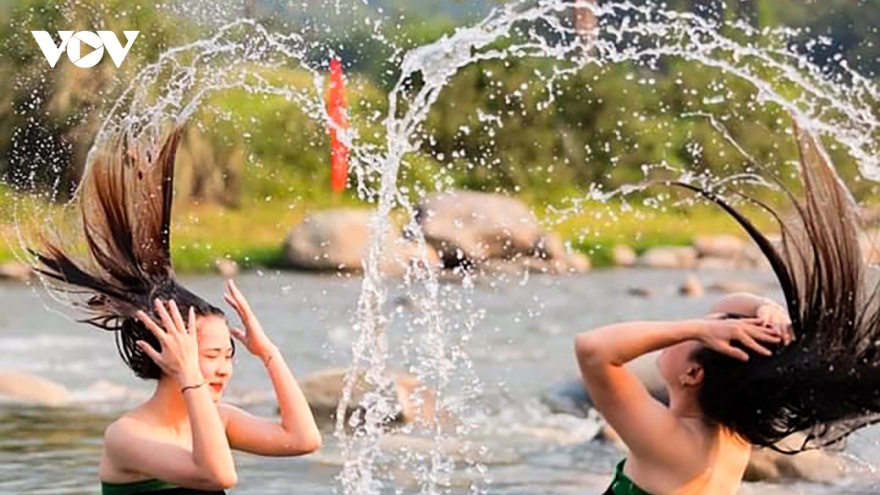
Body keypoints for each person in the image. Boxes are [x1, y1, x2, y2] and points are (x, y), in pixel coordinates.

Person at [575, 125, 880, 495]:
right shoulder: (732, 432)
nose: (697, 325)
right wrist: (765, 308)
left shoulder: (668, 441)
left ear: (692, 374)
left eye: (694, 334)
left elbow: (593, 350)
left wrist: (694, 328)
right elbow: (725, 309)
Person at [30, 129, 322, 494]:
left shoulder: (217, 419)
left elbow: (302, 440)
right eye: (212, 355)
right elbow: (218, 476)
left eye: (228, 356)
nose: (224, 369)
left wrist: (268, 354)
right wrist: (190, 377)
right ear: (171, 352)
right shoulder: (127, 436)